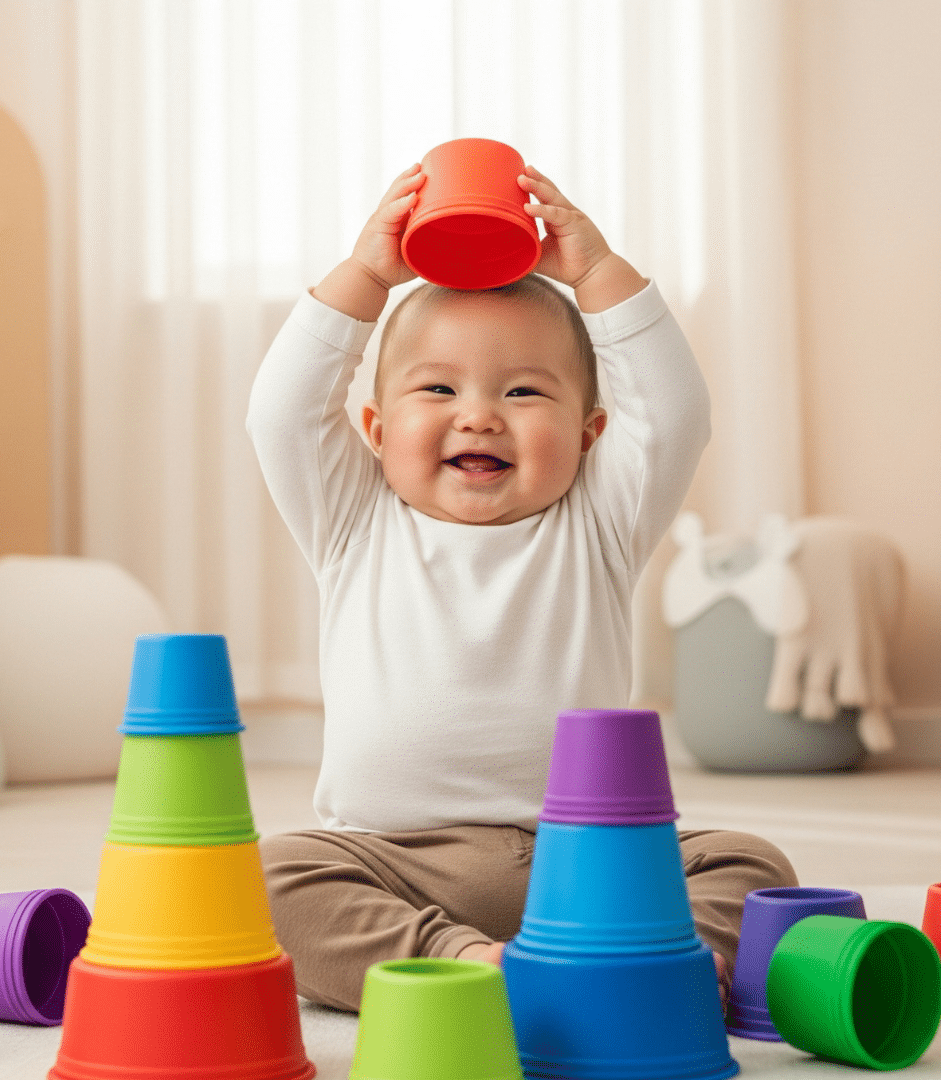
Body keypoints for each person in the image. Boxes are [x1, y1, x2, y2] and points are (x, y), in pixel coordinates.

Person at [245, 162, 796, 1011]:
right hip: (396, 860)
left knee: (753, 865)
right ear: (376, 430)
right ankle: (468, 963)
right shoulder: (353, 519)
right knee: (268, 878)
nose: (479, 414)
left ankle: (652, 958)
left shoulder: (602, 521)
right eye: (439, 388)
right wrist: (365, 277)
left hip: (591, 860)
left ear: (589, 435)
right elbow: (280, 414)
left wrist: (597, 273)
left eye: (524, 391)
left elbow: (675, 414)